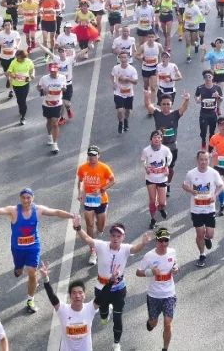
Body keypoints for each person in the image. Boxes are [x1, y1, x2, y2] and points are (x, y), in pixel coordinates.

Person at [0, 188, 77, 313]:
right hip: (17, 248)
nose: (26, 200)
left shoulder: (38, 210)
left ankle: (30, 299)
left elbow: (56, 212)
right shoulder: (14, 210)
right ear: (20, 198)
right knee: (19, 271)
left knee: (32, 272)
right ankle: (19, 268)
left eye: (29, 198)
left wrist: (72, 216)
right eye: (24, 198)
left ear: (33, 198)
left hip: (33, 247)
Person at [66, 222, 155, 351]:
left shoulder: (125, 248)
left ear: (123, 237)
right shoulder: (102, 246)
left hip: (119, 289)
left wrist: (143, 243)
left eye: (119, 236)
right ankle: (105, 314)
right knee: (103, 315)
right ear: (110, 236)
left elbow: (135, 249)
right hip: (102, 288)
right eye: (113, 235)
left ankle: (116, 343)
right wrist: (79, 228)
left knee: (118, 318)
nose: (115, 238)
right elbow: (87, 239)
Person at [136, 227, 180, 351]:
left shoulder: (172, 252)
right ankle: (150, 323)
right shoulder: (149, 256)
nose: (164, 244)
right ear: (157, 241)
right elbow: (138, 272)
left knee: (167, 323)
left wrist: (176, 268)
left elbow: (175, 264)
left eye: (166, 240)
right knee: (153, 323)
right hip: (154, 295)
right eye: (161, 241)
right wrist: (150, 272)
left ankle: (165, 348)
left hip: (169, 294)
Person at [182, 149, 224, 267]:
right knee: (199, 233)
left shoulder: (213, 173)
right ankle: (202, 254)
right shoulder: (191, 173)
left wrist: (215, 195)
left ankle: (208, 238)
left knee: (210, 234)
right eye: (201, 159)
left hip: (209, 209)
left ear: (209, 160)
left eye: (206, 159)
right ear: (197, 160)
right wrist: (192, 190)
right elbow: (184, 185)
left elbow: (222, 185)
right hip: (196, 209)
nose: (204, 162)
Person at [77, 145, 116, 262]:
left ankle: (99, 224)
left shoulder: (104, 168)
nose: (92, 157)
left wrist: (101, 189)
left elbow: (113, 180)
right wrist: (80, 192)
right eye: (90, 155)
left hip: (101, 200)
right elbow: (79, 181)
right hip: (88, 199)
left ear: (99, 156)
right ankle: (93, 251)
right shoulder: (82, 168)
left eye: (94, 155)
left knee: (100, 228)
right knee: (89, 224)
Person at [149, 93, 189, 185]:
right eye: (163, 104)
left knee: (170, 169)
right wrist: (147, 96)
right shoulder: (157, 114)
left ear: (171, 104)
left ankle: (168, 183)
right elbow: (149, 105)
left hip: (172, 147)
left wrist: (186, 100)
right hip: (159, 146)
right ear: (160, 104)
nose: (166, 106)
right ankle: (159, 182)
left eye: (168, 104)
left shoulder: (175, 114)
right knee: (159, 166)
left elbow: (184, 108)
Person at [141, 130, 174, 228]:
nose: (157, 139)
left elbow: (169, 158)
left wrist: (167, 166)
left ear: (161, 139)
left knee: (162, 202)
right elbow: (143, 160)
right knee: (152, 200)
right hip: (150, 178)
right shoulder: (146, 150)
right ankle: (153, 219)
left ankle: (161, 208)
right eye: (155, 137)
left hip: (162, 178)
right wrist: (146, 167)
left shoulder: (165, 150)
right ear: (151, 139)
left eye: (159, 137)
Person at [39, 61, 70, 154]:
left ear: (58, 70)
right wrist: (43, 90)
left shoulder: (62, 77)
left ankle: (55, 144)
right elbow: (38, 87)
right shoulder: (44, 78)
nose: (54, 72)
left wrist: (64, 88)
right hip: (47, 103)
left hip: (57, 103)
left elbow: (64, 87)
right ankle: (49, 135)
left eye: (55, 71)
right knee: (49, 121)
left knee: (55, 123)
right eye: (52, 71)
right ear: (49, 71)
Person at [6, 48, 35, 126]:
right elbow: (9, 71)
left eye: (19, 58)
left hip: (25, 83)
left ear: (24, 57)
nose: (18, 59)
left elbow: (32, 69)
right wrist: (12, 75)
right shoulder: (14, 62)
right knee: (20, 100)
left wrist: (32, 75)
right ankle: (22, 112)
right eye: (17, 57)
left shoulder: (28, 61)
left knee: (23, 100)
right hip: (16, 84)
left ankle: (23, 116)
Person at [195, 71, 224, 148]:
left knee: (212, 131)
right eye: (205, 77)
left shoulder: (217, 88)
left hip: (212, 113)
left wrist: (218, 97)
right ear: (204, 78)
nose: (208, 79)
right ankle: (203, 141)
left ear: (212, 77)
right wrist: (199, 98)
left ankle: (211, 146)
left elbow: (221, 99)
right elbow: (197, 100)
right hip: (203, 113)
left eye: (209, 77)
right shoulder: (200, 88)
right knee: (203, 131)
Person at [112, 52, 138, 134]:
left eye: (125, 57)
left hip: (129, 93)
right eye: (121, 57)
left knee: (128, 111)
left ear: (128, 58)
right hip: (118, 92)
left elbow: (135, 82)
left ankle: (126, 120)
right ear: (119, 58)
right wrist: (114, 83)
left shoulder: (132, 69)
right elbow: (112, 76)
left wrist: (127, 79)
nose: (123, 59)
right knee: (119, 110)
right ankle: (120, 123)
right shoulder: (116, 68)